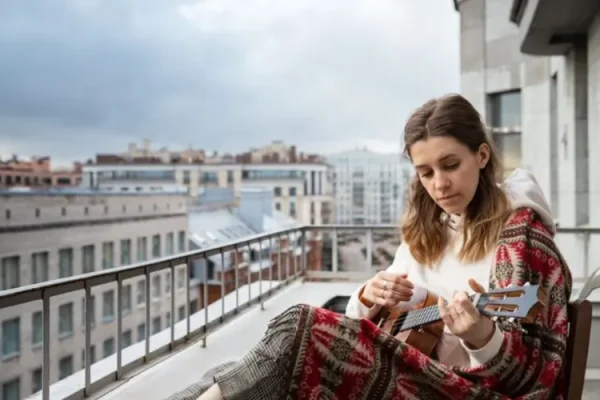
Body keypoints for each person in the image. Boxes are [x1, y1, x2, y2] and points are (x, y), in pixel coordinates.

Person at [168, 94, 572, 400]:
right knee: (236, 369)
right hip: (410, 365)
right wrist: (368, 294)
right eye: (425, 172)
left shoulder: (520, 237)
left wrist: (483, 334)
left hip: (461, 389)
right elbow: (367, 320)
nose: (439, 185)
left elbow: (530, 376)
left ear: (482, 155)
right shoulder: (431, 226)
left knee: (298, 328)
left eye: (451, 165)